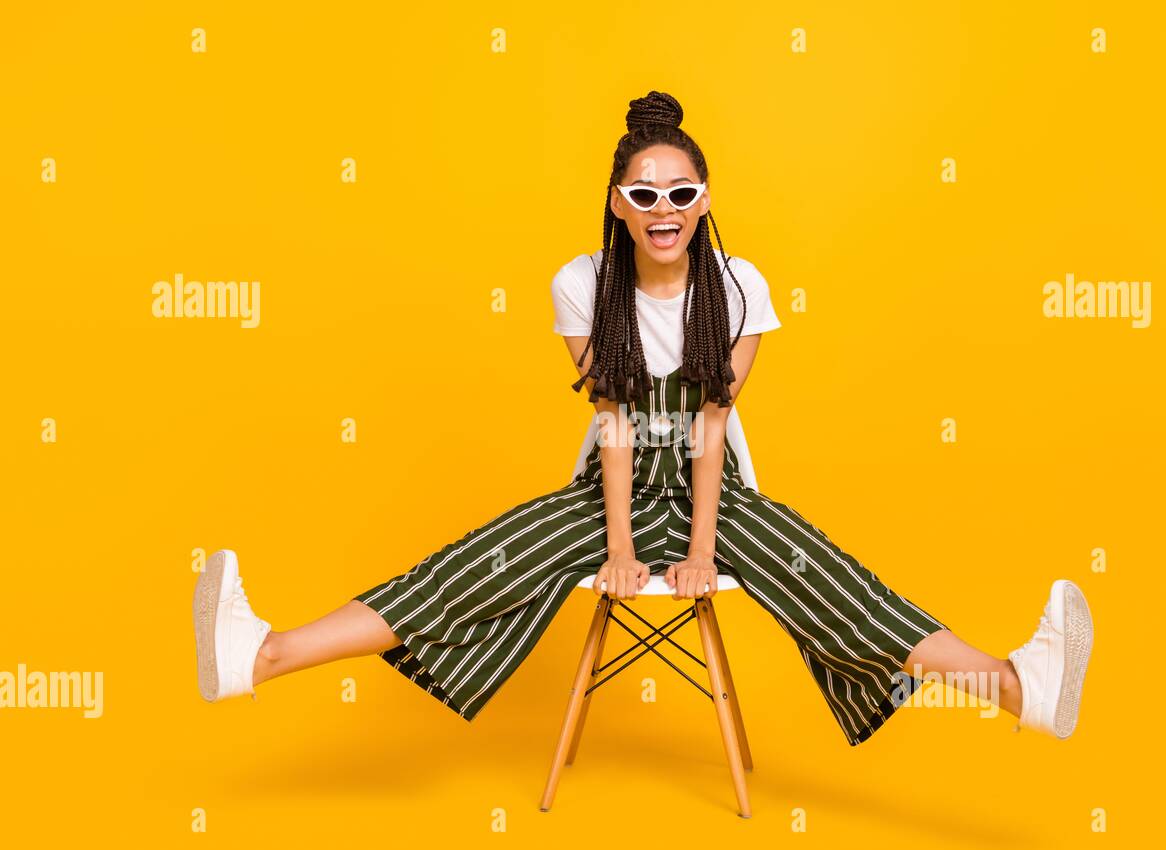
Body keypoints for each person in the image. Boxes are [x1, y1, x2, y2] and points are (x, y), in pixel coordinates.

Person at [192, 90, 1094, 746]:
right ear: (617, 203)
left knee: (822, 572)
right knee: (476, 561)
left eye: (679, 191)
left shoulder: (741, 288)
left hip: (712, 487)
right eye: (642, 193)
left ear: (704, 197)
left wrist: (701, 550)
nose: (662, 210)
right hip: (612, 484)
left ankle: (1020, 687)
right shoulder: (581, 285)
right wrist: (620, 550)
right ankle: (261, 656)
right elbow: (617, 425)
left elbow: (709, 427)